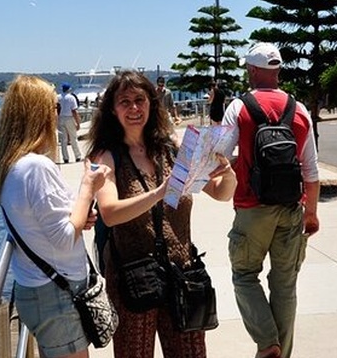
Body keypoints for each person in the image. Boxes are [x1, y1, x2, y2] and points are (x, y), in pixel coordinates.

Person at [87, 69, 236, 358]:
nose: (134, 108)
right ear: (112, 109)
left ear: (152, 103)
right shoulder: (107, 156)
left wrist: (227, 174)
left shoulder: (172, 148)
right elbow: (110, 213)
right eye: (125, 101)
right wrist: (158, 193)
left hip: (181, 272)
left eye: (140, 100)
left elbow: (220, 193)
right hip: (134, 279)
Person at [0, 75, 108, 358]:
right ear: (38, 114)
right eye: (53, 106)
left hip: (38, 290)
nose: (57, 112)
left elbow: (45, 222)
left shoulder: (12, 166)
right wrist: (88, 186)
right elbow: (66, 238)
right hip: (55, 295)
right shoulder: (36, 167)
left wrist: (81, 215)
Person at [221, 42, 320, 358]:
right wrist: (312, 214)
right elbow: (311, 171)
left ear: (252, 70)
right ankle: (281, 353)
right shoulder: (299, 109)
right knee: (285, 285)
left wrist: (240, 162)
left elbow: (217, 155)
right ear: (277, 70)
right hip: (292, 208)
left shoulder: (239, 108)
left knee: (244, 276)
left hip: (252, 209)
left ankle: (267, 343)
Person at [58, 83, 82, 163]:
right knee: (73, 138)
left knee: (63, 140)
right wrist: (78, 123)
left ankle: (65, 157)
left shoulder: (58, 97)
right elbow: (74, 111)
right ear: (69, 89)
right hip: (69, 118)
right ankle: (77, 156)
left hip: (60, 118)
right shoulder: (71, 98)